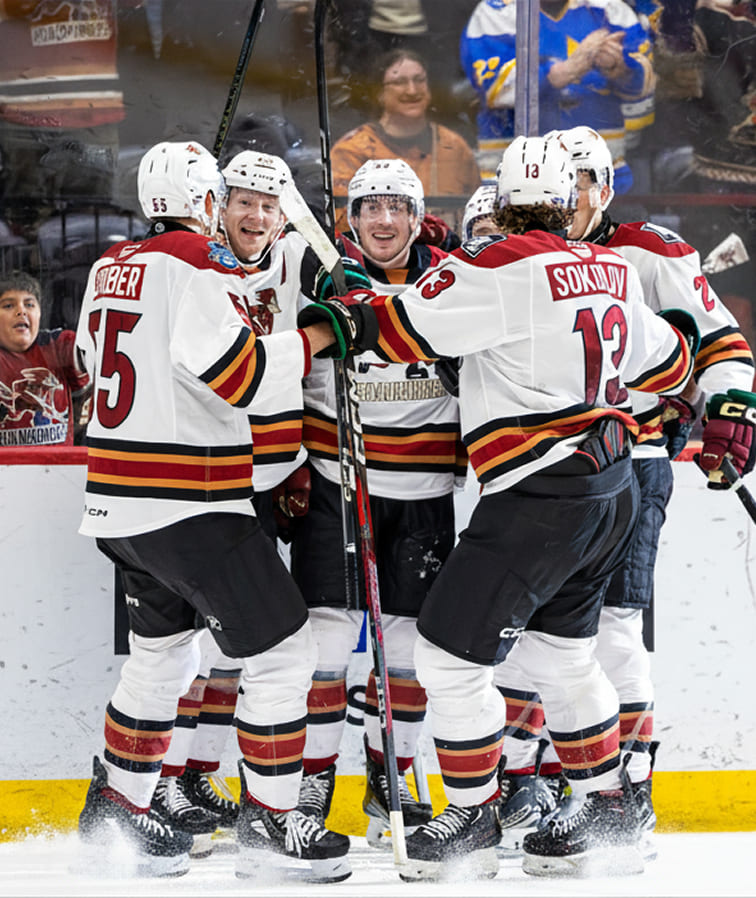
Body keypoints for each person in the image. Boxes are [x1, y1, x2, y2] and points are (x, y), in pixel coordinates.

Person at [301, 134, 696, 880]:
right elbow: (673, 360)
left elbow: (391, 331)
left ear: (504, 197)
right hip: (610, 488)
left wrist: (353, 303)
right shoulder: (610, 267)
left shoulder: (497, 265)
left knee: (447, 657)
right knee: (562, 656)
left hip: (536, 495)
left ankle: (473, 818)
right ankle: (610, 810)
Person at [73, 140, 352, 882]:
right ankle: (270, 824)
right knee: (286, 652)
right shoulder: (198, 266)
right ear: (207, 205)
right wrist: (325, 331)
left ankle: (120, 809)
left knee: (163, 656)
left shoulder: (108, 267)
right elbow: (246, 378)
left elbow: (87, 365)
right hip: (190, 501)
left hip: (116, 503)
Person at [557, 122, 755, 850]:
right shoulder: (526, 259)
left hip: (633, 457)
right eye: (554, 184)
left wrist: (727, 406)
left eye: (578, 184)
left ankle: (631, 787)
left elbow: (720, 338)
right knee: (555, 633)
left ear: (604, 188)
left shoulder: (651, 251)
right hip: (544, 467)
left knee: (613, 623)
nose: (565, 197)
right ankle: (573, 776)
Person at [289, 158, 465, 848]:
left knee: (407, 650)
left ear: (418, 216)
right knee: (326, 641)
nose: (383, 220)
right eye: (369, 207)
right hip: (342, 483)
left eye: (397, 206)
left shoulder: (451, 285)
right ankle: (312, 780)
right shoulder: (323, 280)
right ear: (351, 219)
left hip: (421, 494)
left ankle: (390, 773)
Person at [149, 150, 319, 856]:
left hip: (271, 480)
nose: (255, 215)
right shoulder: (191, 271)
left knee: (235, 651)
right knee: (193, 648)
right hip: (203, 487)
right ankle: (175, 779)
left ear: (283, 217)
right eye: (241, 200)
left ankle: (195, 777)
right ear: (215, 204)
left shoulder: (292, 261)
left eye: (268, 205)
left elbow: (365, 264)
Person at [459, 0, 656, 185]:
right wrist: (564, 71)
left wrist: (621, 69)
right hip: (517, 183)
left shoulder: (608, 8)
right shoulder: (495, 11)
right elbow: (492, 88)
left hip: (603, 178)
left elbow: (646, 83)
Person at [0, 0, 123, 238]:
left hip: (91, 110)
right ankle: (22, 270)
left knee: (89, 219)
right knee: (21, 218)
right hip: (23, 113)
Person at [330, 48, 481, 236]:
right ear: (379, 93)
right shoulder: (351, 151)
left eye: (419, 80)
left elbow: (477, 215)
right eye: (399, 82)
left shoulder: (453, 147)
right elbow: (345, 227)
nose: (412, 90)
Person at [0, 270, 90, 447]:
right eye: (8, 306)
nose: (21, 311)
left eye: (30, 304)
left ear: (40, 313)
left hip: (60, 471)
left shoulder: (59, 345)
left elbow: (98, 356)